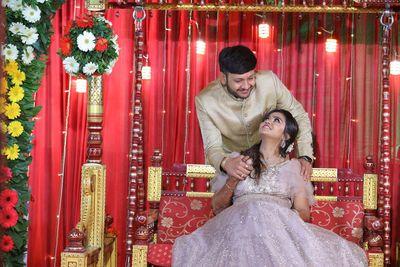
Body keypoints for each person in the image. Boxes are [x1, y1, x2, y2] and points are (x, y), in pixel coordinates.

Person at [172, 109, 367, 266]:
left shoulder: (294, 167)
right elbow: (217, 207)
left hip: (278, 232)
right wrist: (233, 179)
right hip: (238, 230)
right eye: (267, 118)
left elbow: (302, 212)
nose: (269, 121)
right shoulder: (238, 160)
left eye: (277, 120)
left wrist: (273, 218)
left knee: (262, 212)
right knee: (253, 210)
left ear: (286, 136)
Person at [195, 45, 314, 181]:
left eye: (251, 78)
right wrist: (225, 163)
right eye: (238, 81)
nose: (246, 86)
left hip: (273, 162)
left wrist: (305, 156)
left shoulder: (269, 81)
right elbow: (212, 146)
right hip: (232, 165)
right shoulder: (205, 100)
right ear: (223, 78)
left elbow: (299, 116)